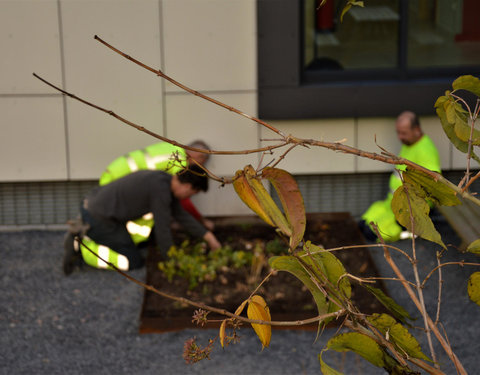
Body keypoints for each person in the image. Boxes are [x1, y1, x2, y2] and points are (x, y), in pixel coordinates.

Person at [63, 165, 222, 275]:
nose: (189, 198)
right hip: (99, 217)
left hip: (96, 204)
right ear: (188, 187)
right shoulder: (160, 190)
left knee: (134, 246)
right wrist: (172, 261)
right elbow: (163, 229)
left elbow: (181, 215)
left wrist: (209, 237)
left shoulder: (163, 181)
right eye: (193, 194)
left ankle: (87, 228)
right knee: (133, 261)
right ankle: (82, 246)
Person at [359, 111, 441, 242]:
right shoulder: (410, 144)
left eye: (404, 133)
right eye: (398, 132)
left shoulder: (425, 151)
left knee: (372, 234)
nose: (400, 137)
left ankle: (408, 232)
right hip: (392, 202)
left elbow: (433, 183)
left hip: (408, 210)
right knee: (363, 223)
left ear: (416, 130)